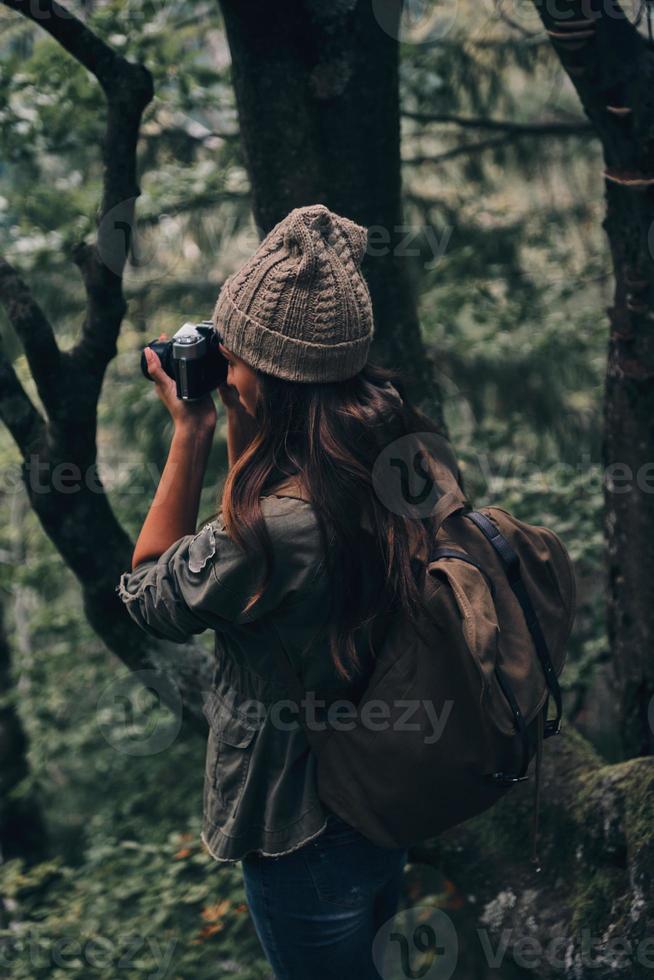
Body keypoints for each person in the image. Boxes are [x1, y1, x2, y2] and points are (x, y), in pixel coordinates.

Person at [116, 203, 464, 979]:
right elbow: (271, 511)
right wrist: (246, 415)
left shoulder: (275, 533)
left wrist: (193, 430)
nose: (223, 369)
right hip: (384, 787)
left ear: (272, 378)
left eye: (232, 356)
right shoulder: (399, 456)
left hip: (301, 822)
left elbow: (147, 591)